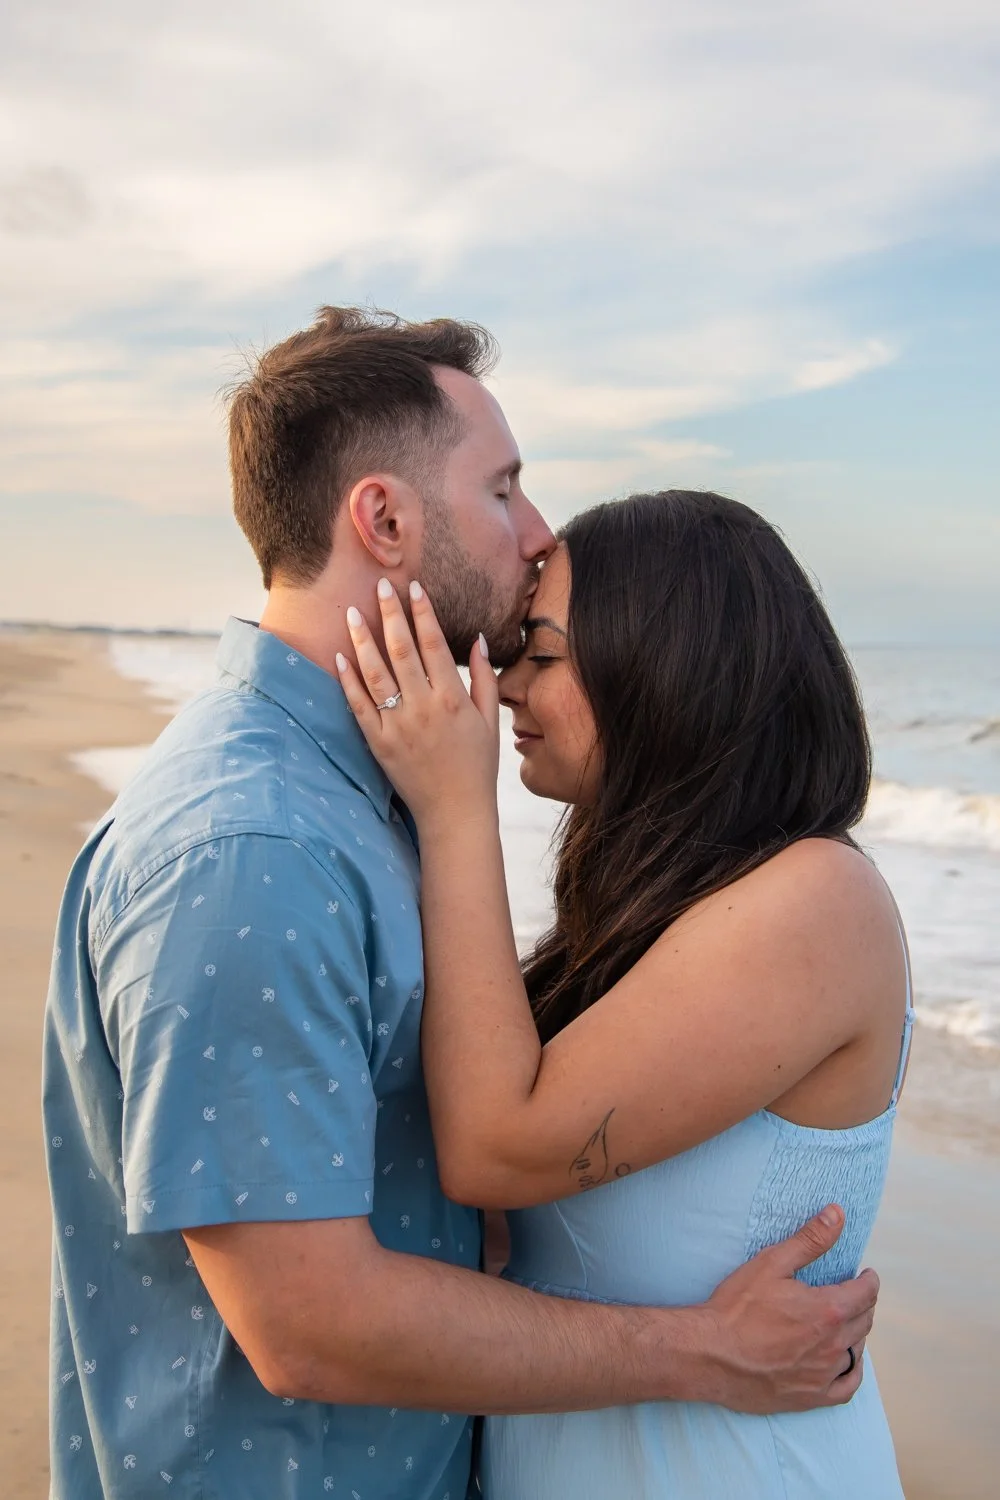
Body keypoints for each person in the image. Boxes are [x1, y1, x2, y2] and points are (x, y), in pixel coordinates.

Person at [44, 311, 877, 1500]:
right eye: (504, 489)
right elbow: (311, 1323)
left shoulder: (364, 799)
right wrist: (695, 1344)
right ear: (384, 521)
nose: (537, 535)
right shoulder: (254, 850)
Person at [336, 487, 909, 1498]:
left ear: (672, 669)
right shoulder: (654, 915)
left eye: (541, 656)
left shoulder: (817, 901)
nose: (505, 686)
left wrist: (456, 808)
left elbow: (493, 1145)